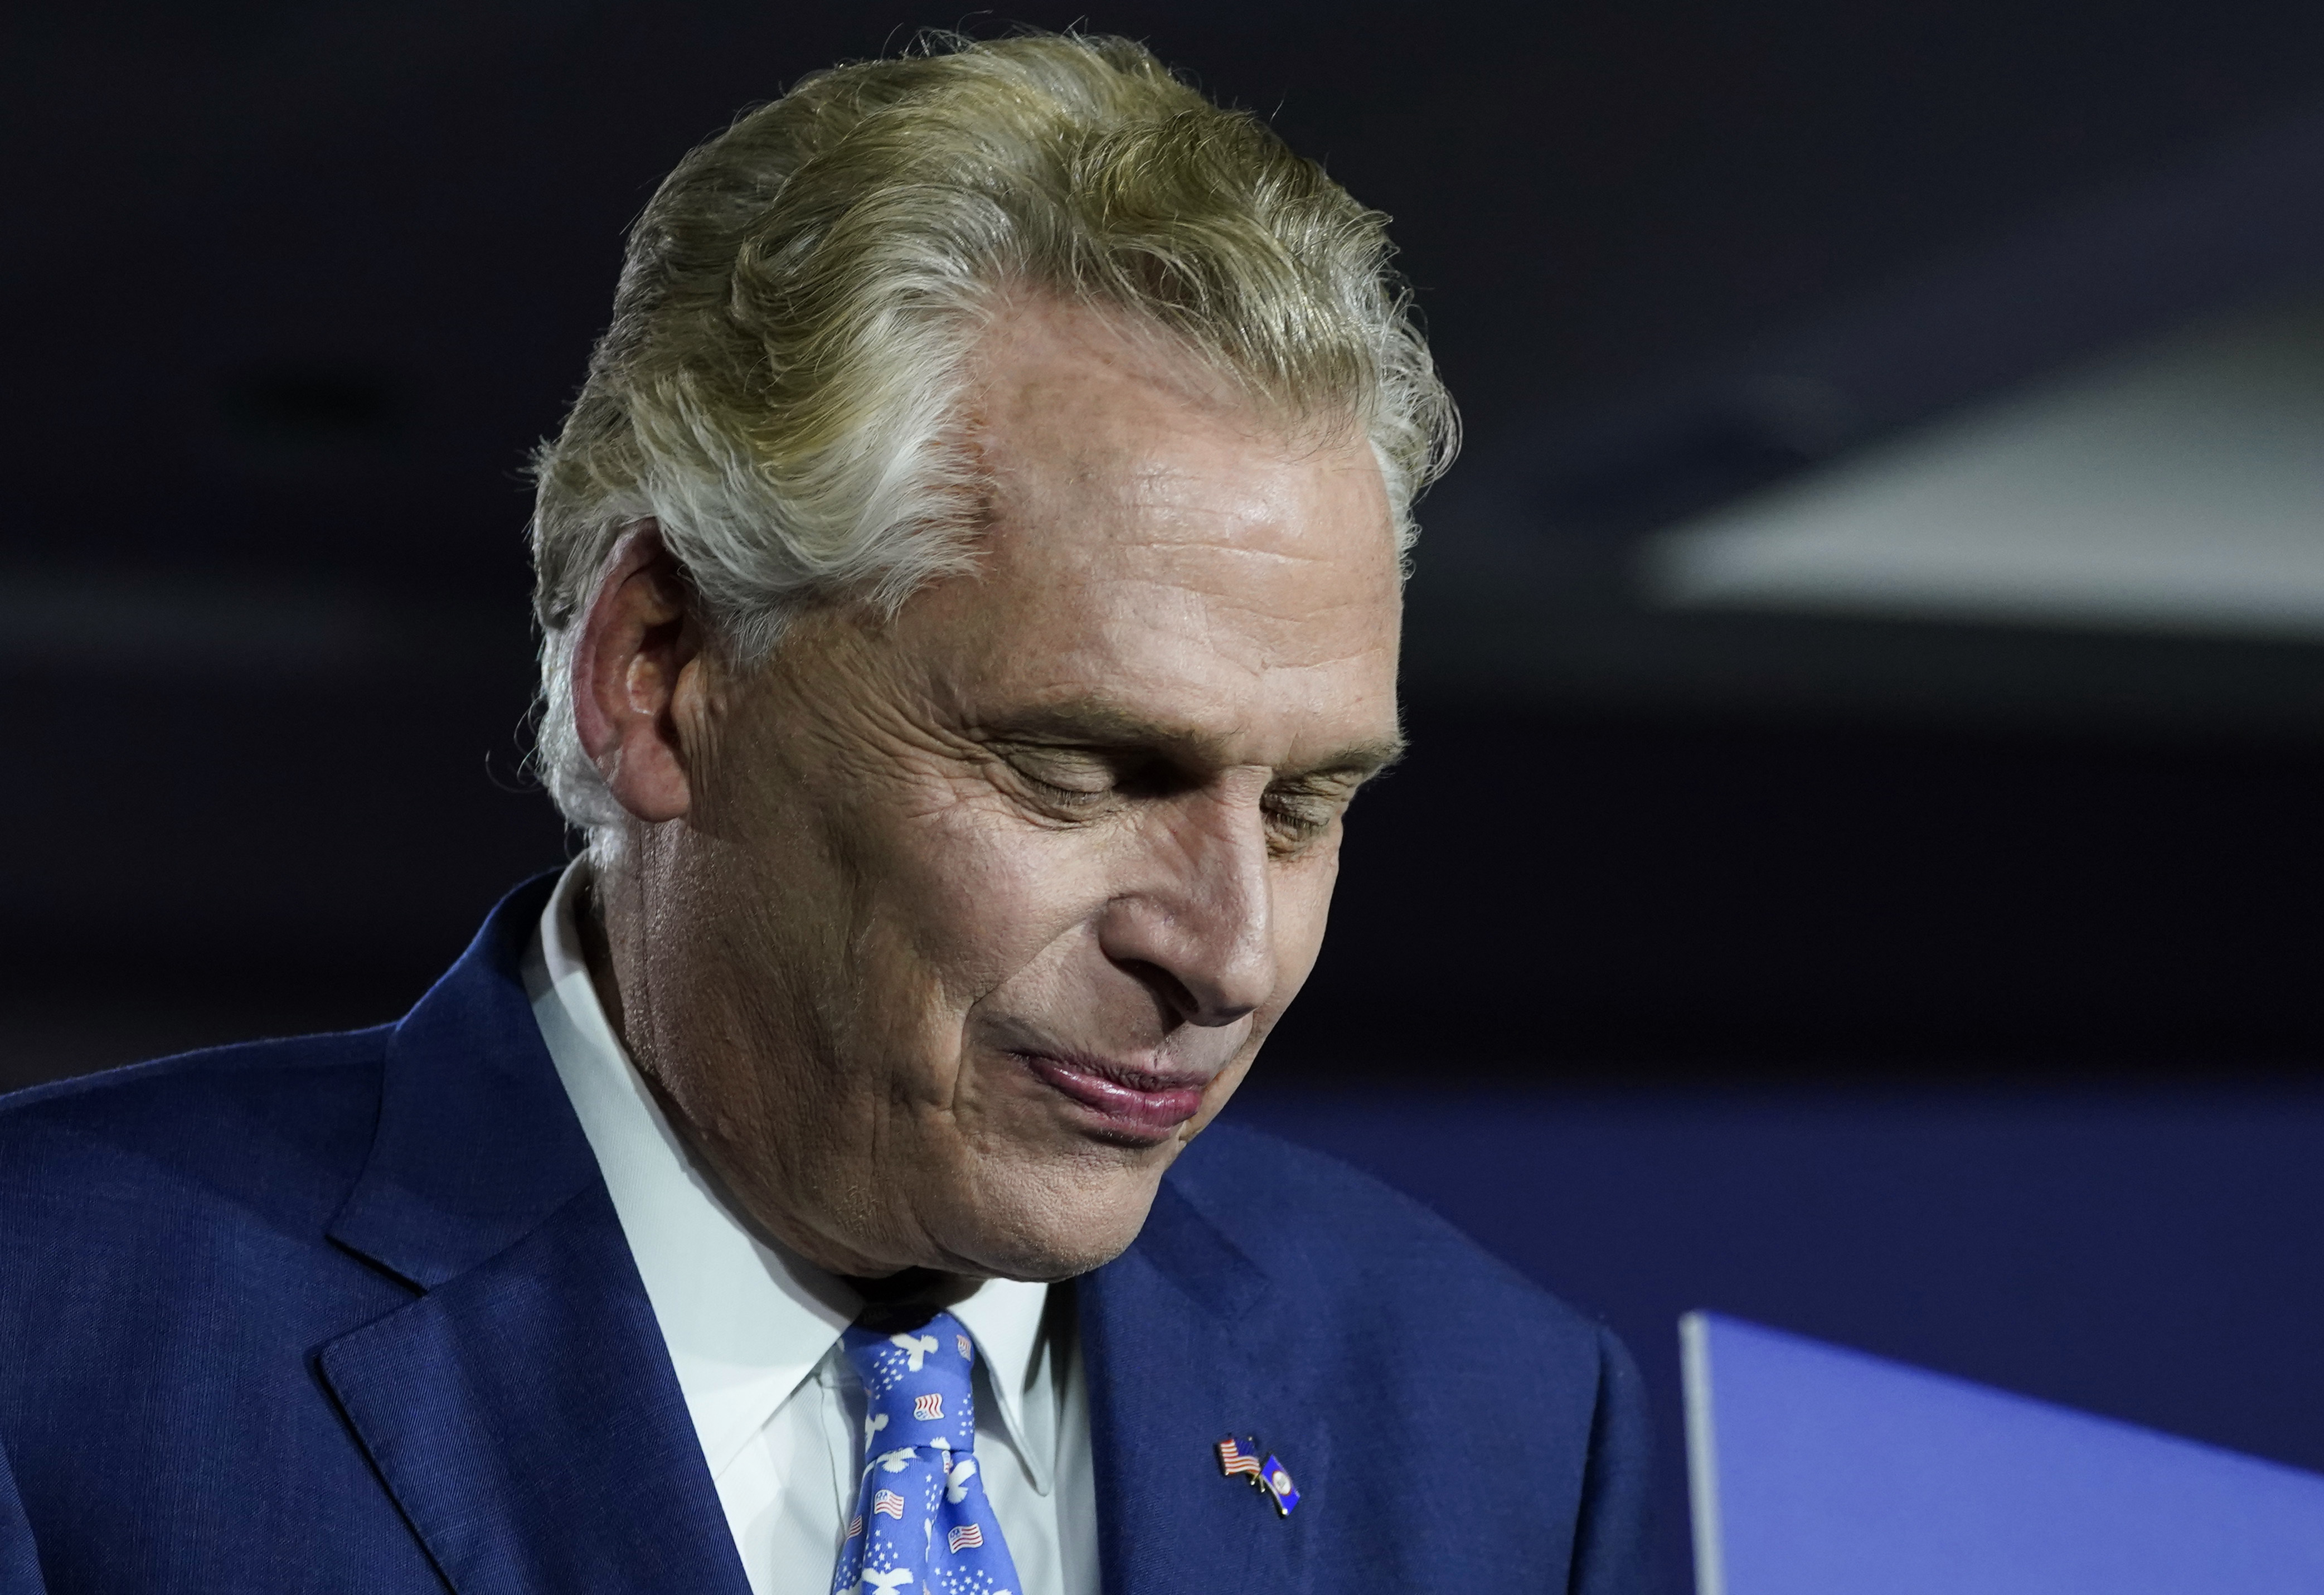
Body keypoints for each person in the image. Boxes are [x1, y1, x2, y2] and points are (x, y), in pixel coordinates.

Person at [0, 32, 1652, 1595]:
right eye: (1081, 771)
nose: (1230, 954)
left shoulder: (1504, 1425)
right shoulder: (52, 1336)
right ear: (664, 672)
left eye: (1303, 805)